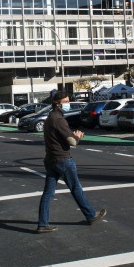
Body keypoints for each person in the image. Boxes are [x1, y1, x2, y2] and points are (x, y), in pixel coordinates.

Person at [36, 91, 106, 234]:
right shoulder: (59, 120)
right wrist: (78, 136)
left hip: (50, 160)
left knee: (48, 194)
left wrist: (70, 135)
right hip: (62, 160)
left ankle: (42, 224)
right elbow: (72, 142)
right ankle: (91, 215)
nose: (68, 104)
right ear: (58, 103)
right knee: (76, 189)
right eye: (66, 101)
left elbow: (60, 137)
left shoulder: (50, 117)